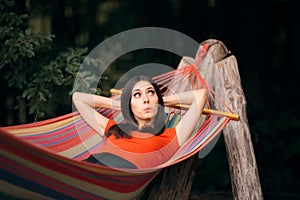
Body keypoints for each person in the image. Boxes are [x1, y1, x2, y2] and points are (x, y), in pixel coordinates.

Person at [72, 75, 207, 169]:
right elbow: (78, 98)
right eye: (137, 95)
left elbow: (200, 95)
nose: (146, 99)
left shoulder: (171, 137)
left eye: (151, 93)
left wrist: (160, 101)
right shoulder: (114, 128)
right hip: (89, 166)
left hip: (121, 175)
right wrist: (123, 105)